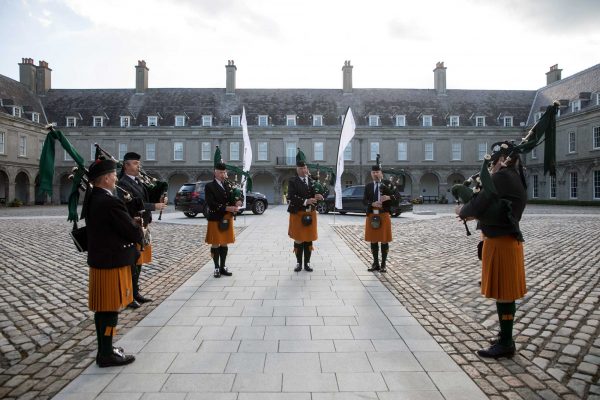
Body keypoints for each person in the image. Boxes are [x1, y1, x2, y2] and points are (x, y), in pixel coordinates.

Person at [456, 141, 528, 359]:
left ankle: (506, 342)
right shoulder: (514, 177)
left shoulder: (501, 178)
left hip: (501, 242)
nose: (489, 169)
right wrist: (475, 213)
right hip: (506, 240)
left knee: (504, 295)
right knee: (504, 294)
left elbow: (479, 203)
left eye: (491, 163)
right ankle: (504, 336)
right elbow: (494, 208)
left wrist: (462, 210)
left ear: (500, 161)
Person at [85, 158, 142, 367]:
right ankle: (107, 353)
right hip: (111, 263)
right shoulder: (110, 201)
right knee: (110, 311)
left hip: (99, 262)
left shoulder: (93, 198)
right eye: (114, 175)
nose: (116, 178)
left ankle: (105, 348)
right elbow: (130, 230)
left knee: (103, 310)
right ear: (107, 178)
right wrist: (138, 227)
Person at [117, 152, 167, 309]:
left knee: (139, 261)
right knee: (132, 262)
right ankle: (129, 295)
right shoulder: (123, 184)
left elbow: (144, 199)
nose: (139, 166)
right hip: (133, 225)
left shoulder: (137, 181)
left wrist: (158, 199)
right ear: (126, 165)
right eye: (136, 163)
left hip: (143, 225)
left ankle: (136, 291)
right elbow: (130, 205)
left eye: (139, 163)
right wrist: (154, 206)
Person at [205, 163, 242, 278]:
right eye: (220, 172)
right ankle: (216, 267)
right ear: (215, 173)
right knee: (215, 243)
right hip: (215, 218)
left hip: (226, 218)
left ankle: (223, 266)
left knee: (224, 242)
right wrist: (227, 208)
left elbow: (237, 196)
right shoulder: (209, 186)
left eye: (224, 172)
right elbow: (211, 204)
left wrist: (238, 202)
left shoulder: (228, 185)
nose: (223, 174)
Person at [287, 157, 323, 272]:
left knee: (308, 239)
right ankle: (298, 263)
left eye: (305, 168)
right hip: (298, 213)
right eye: (301, 168)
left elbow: (324, 191)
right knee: (298, 239)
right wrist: (306, 201)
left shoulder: (313, 180)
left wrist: (320, 196)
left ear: (307, 169)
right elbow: (291, 196)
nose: (303, 170)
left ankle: (307, 263)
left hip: (310, 213)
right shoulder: (292, 181)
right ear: (297, 169)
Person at [363, 161, 399, 273]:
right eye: (373, 172)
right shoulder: (368, 186)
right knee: (373, 240)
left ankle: (383, 264)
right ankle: (375, 263)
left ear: (381, 173)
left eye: (377, 172)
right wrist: (371, 204)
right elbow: (364, 200)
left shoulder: (388, 184)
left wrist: (388, 197)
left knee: (384, 240)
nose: (375, 174)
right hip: (372, 215)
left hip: (383, 214)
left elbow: (398, 198)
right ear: (371, 174)